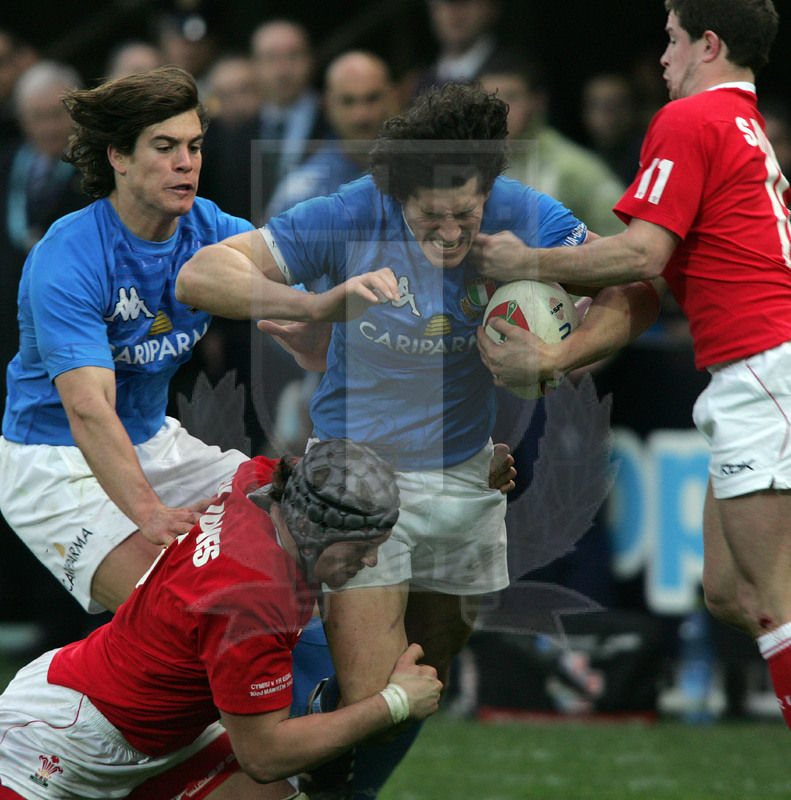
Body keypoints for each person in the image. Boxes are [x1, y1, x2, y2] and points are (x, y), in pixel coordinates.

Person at [176, 81, 661, 793]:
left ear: (488, 188)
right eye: (428, 217)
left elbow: (638, 292)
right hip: (355, 479)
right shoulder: (351, 210)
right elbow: (203, 272)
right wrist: (316, 303)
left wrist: (557, 354)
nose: (448, 233)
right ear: (394, 194)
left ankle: (310, 741)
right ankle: (277, 719)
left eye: (464, 214)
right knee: (377, 691)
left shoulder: (523, 213)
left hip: (465, 477)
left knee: (424, 672)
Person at [472, 0, 791, 734]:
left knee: (771, 602)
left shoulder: (689, 120)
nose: (660, 56)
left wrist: (528, 261)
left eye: (672, 39)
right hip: (755, 370)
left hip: (764, 368)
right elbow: (643, 283)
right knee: (724, 591)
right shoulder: (740, 124)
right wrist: (556, 357)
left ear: (707, 44)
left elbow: (639, 255)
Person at [0, 437, 443, 800]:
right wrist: (396, 703)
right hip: (61, 740)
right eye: (359, 547)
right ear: (312, 532)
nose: (370, 562)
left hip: (162, 737)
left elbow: (317, 467)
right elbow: (264, 757)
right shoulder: (251, 600)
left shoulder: (266, 485)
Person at [0, 66, 252, 617]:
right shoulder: (69, 252)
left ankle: (339, 701)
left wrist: (321, 314)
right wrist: (150, 511)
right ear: (118, 156)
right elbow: (88, 409)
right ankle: (47, 699)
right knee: (177, 615)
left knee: (295, 520)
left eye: (194, 145)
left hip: (149, 439)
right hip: (52, 457)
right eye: (164, 147)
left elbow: (296, 270)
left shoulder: (210, 228)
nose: (186, 162)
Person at [478, 58, 627, 236]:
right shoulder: (469, 161)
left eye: (511, 97)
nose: (498, 109)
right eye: (488, 98)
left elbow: (624, 239)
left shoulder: (574, 167)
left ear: (538, 101)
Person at [199, 19, 329, 223]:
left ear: (310, 60)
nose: (283, 69)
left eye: (293, 56)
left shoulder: (333, 124)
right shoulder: (235, 134)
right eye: (271, 58)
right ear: (254, 66)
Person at [265, 50, 398, 219]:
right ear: (327, 106)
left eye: (372, 98)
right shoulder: (301, 194)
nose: (361, 116)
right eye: (347, 102)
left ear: (393, 98)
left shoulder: (425, 177)